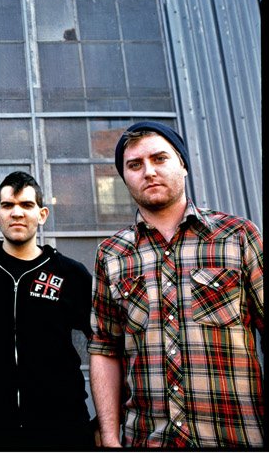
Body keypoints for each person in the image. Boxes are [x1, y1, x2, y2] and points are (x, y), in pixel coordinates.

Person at [89, 120, 264, 448]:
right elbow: (105, 349)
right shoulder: (111, 254)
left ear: (183, 165)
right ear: (124, 177)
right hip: (147, 443)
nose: (149, 172)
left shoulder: (237, 236)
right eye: (135, 165)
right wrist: (110, 439)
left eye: (159, 158)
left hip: (237, 440)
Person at [0, 171, 95, 449]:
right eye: (8, 205)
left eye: (26, 205)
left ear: (42, 214)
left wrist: (101, 423)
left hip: (64, 427)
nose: (17, 213)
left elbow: (104, 344)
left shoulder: (69, 273)